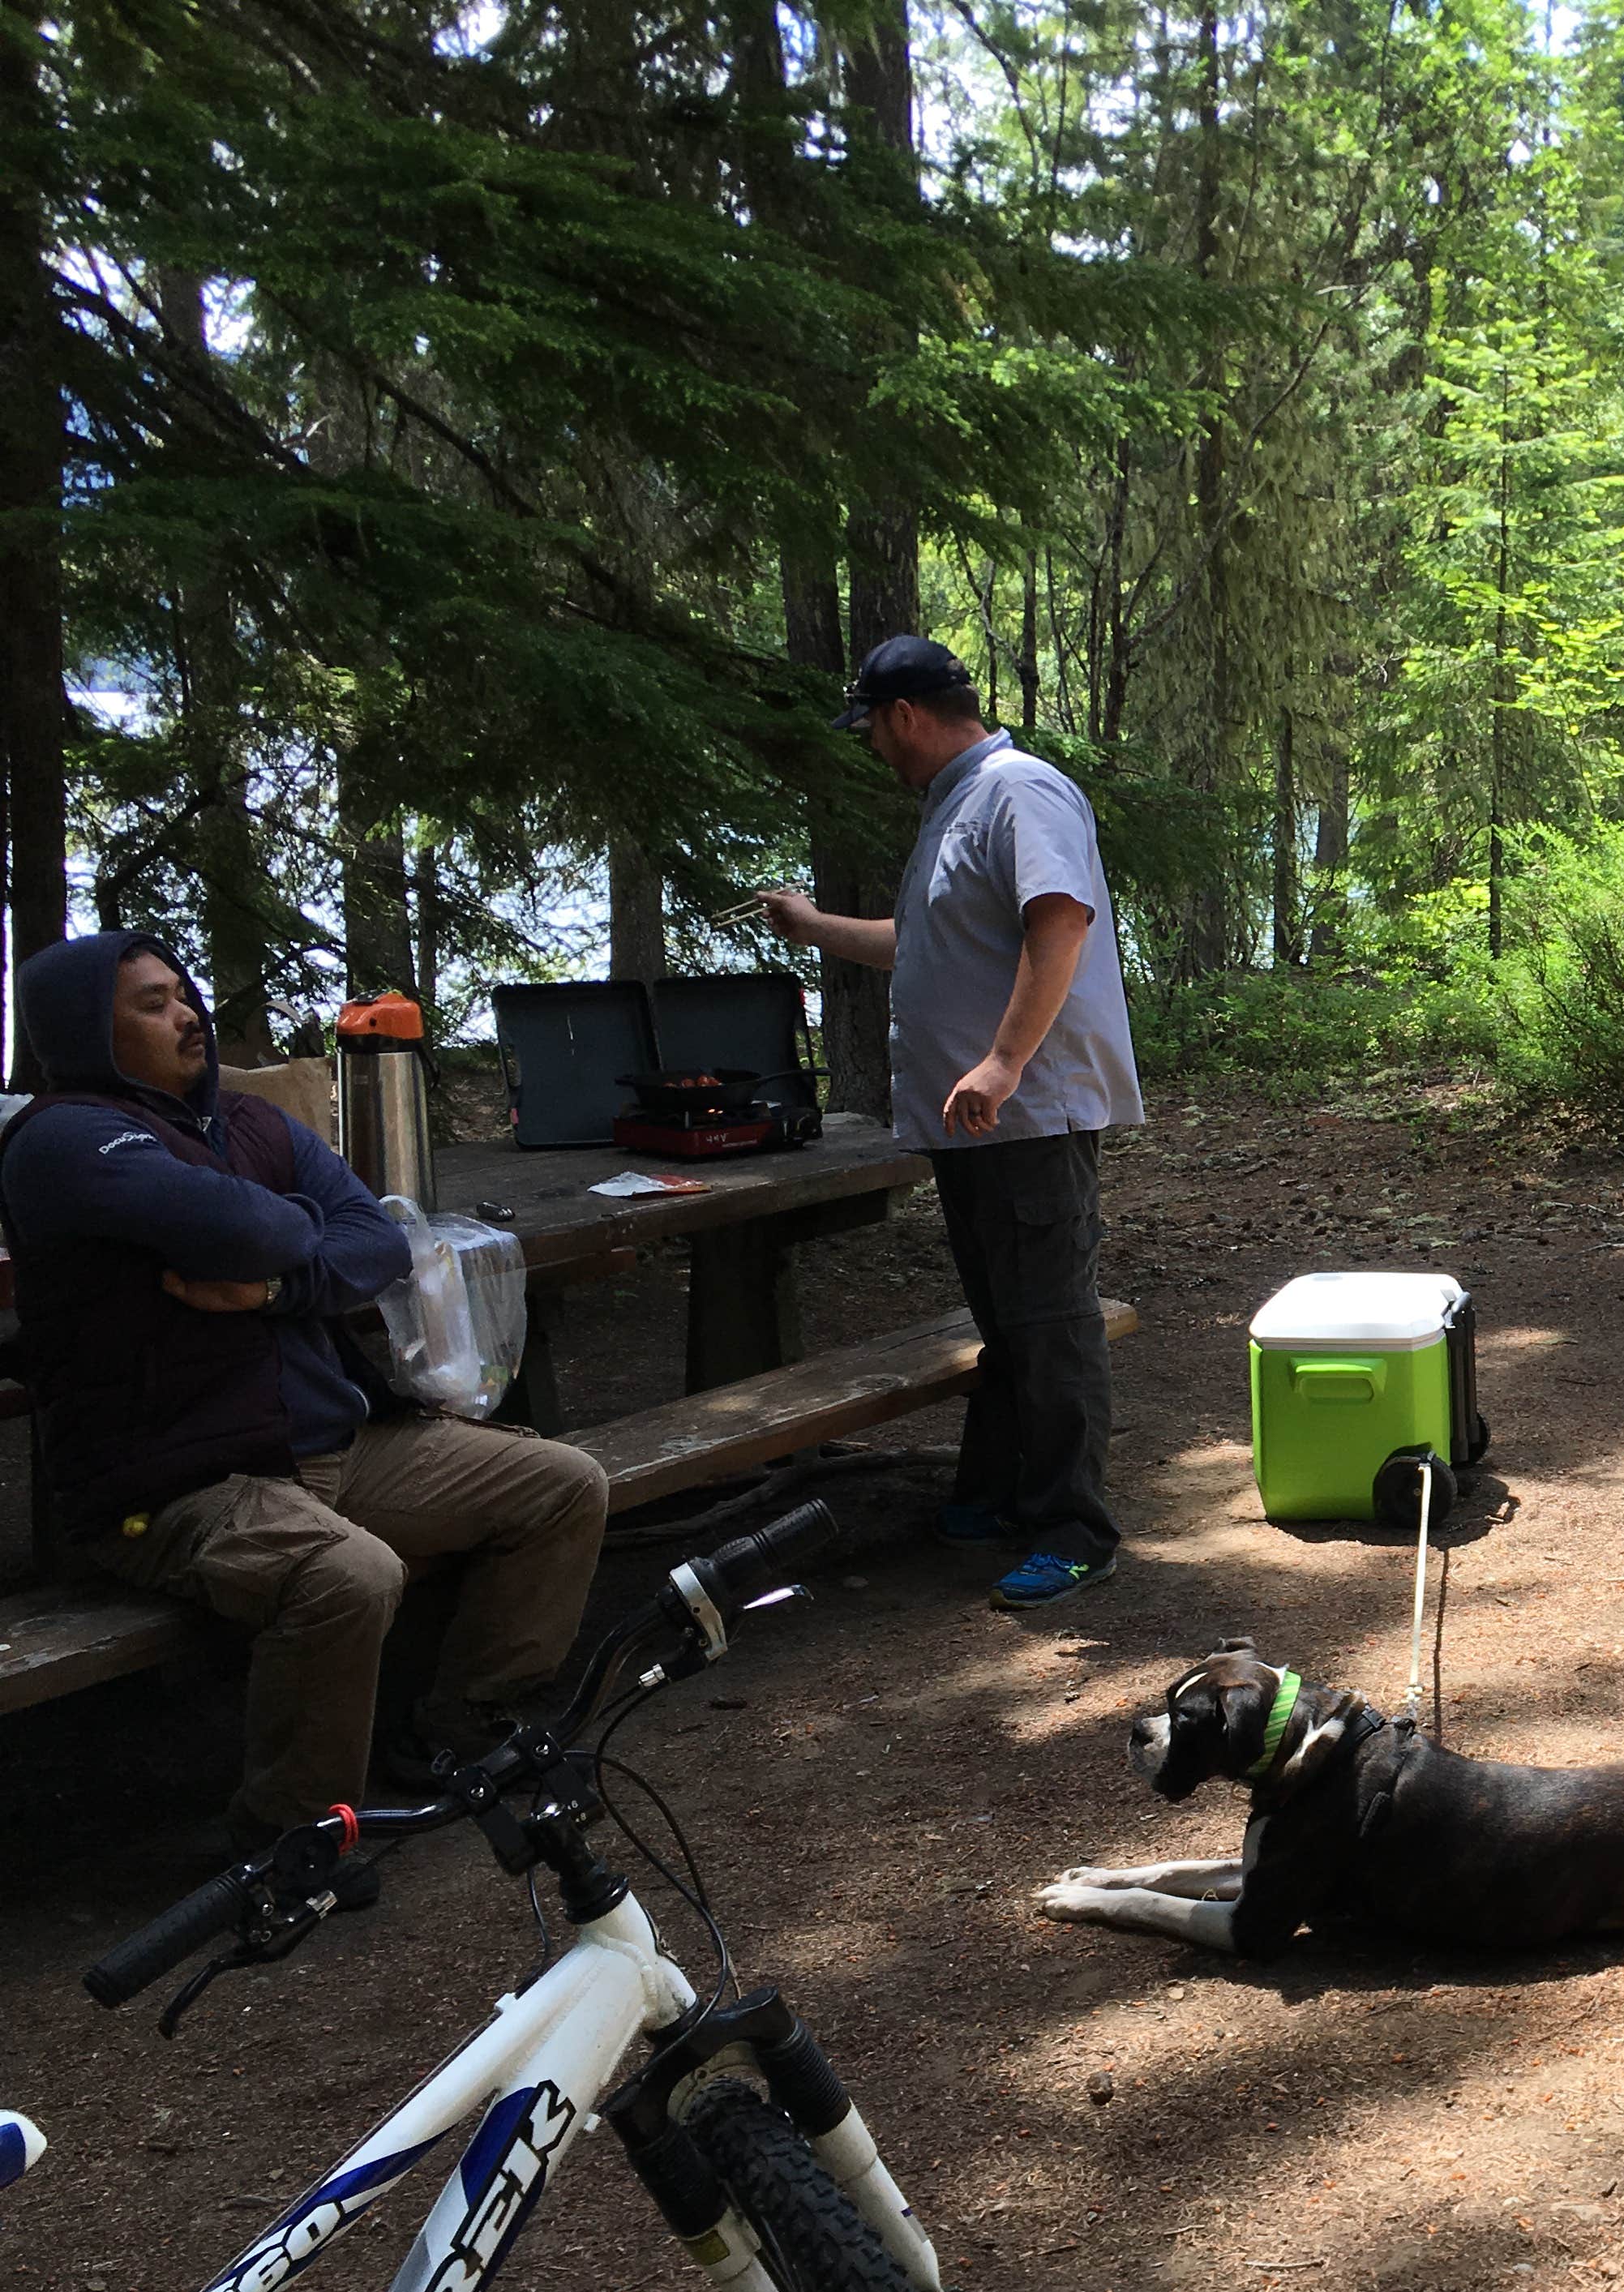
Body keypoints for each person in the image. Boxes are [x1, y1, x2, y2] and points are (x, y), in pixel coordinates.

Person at [0, 934, 610, 1870]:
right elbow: (247, 1224)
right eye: (153, 1005)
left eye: (183, 994)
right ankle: (292, 1839)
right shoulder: (61, 1137)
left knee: (560, 1483)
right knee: (348, 1577)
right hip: (180, 1477)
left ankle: (462, 1720)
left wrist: (282, 1287)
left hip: (330, 1444)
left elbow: (376, 1237)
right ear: (87, 1029)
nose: (188, 1015)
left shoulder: (248, 1123)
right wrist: (287, 1224)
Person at [759, 636, 1142, 1608]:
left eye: (875, 734)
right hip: (975, 1124)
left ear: (903, 716)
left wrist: (1006, 1060)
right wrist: (812, 929)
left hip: (1028, 1115)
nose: (877, 754)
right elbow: (919, 944)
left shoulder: (1020, 789)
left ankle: (1074, 1528)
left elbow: (1061, 919)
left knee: (1052, 1325)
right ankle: (1010, 1494)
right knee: (1007, 1322)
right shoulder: (956, 808)